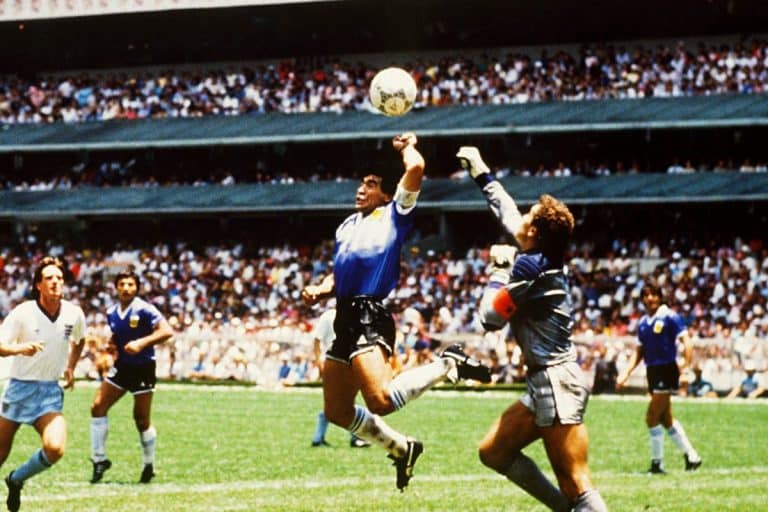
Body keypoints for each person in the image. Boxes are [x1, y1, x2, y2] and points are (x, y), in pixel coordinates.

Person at [301, 132, 491, 492]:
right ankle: (403, 448)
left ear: (386, 194)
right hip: (343, 314)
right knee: (338, 412)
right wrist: (322, 288)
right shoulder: (347, 225)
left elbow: (417, 167)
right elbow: (341, 270)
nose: (361, 190)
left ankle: (447, 364)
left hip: (368, 313)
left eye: (370, 185)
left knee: (382, 400)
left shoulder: (395, 213)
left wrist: (407, 148)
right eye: (360, 184)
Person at [457, 146, 608, 511]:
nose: (522, 215)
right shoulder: (538, 258)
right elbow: (507, 211)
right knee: (494, 451)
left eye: (531, 214)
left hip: (556, 383)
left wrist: (496, 271)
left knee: (576, 482)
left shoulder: (530, 268)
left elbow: (489, 319)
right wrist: (481, 171)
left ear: (535, 231)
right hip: (547, 381)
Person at [0, 256, 86, 512]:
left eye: (59, 278)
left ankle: (16, 480)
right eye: (49, 278)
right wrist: (20, 349)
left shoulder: (74, 313)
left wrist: (70, 366)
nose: (55, 282)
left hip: (49, 391)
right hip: (19, 389)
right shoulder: (23, 312)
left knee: (55, 448)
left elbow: (80, 340)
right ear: (38, 284)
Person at [89, 269, 174, 484]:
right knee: (97, 407)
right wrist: (110, 348)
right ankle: (99, 460)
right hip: (123, 366)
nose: (126, 288)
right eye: (122, 284)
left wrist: (141, 343)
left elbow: (167, 331)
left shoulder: (145, 309)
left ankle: (149, 464)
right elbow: (118, 336)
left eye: (131, 285)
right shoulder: (111, 312)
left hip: (144, 367)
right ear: (116, 287)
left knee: (141, 419)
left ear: (136, 288)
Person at [615, 284, 702, 474]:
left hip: (666, 370)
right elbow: (639, 352)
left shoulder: (670, 317)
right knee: (665, 418)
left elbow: (686, 342)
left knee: (651, 417)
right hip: (652, 371)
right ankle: (692, 456)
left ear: (660, 297)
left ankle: (657, 463)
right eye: (646, 295)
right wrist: (626, 373)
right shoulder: (644, 322)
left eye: (653, 294)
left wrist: (685, 369)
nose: (650, 298)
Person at [309, 308, 370, 448]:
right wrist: (319, 362)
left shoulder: (353, 315)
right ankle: (353, 438)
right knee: (338, 402)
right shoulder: (332, 315)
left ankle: (320, 438)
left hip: (346, 361)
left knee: (341, 401)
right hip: (336, 361)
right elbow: (317, 340)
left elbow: (317, 341)